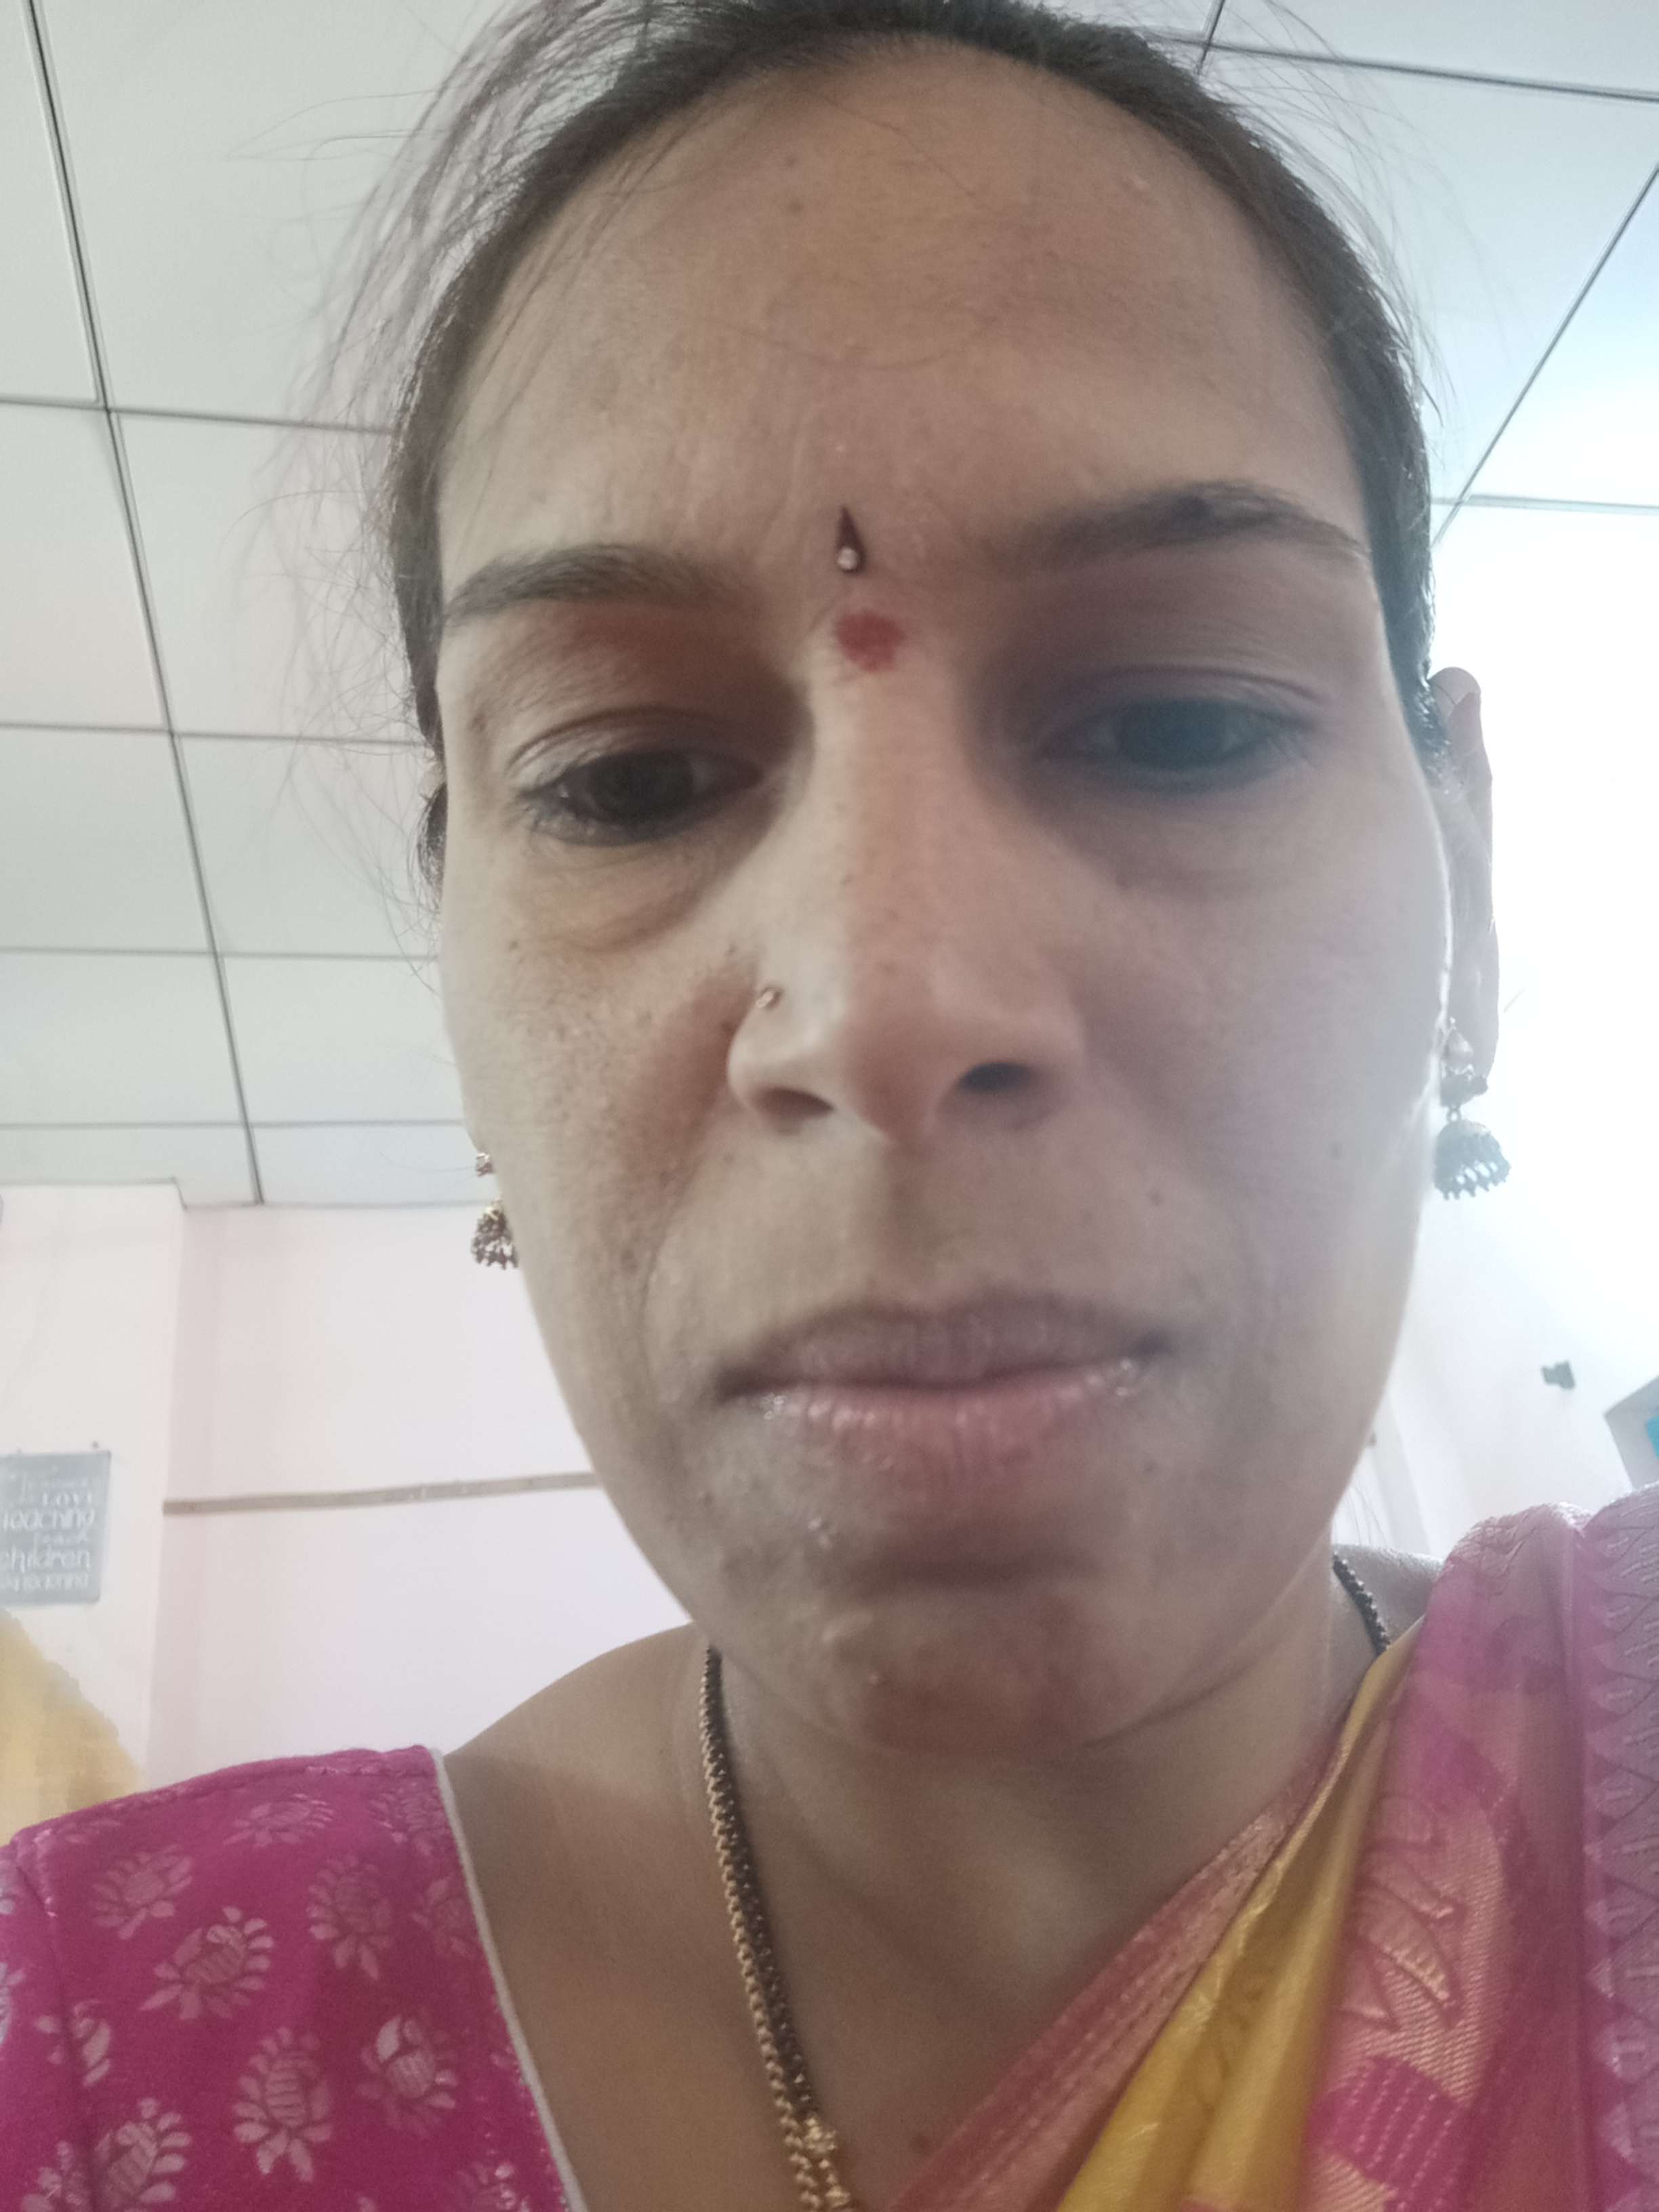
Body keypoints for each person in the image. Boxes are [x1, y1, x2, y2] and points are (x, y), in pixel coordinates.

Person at [0, 0, 1643, 2204]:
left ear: (1469, 887)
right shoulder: (99, 2052)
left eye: (1177, 723)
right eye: (627, 779)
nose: (883, 1006)